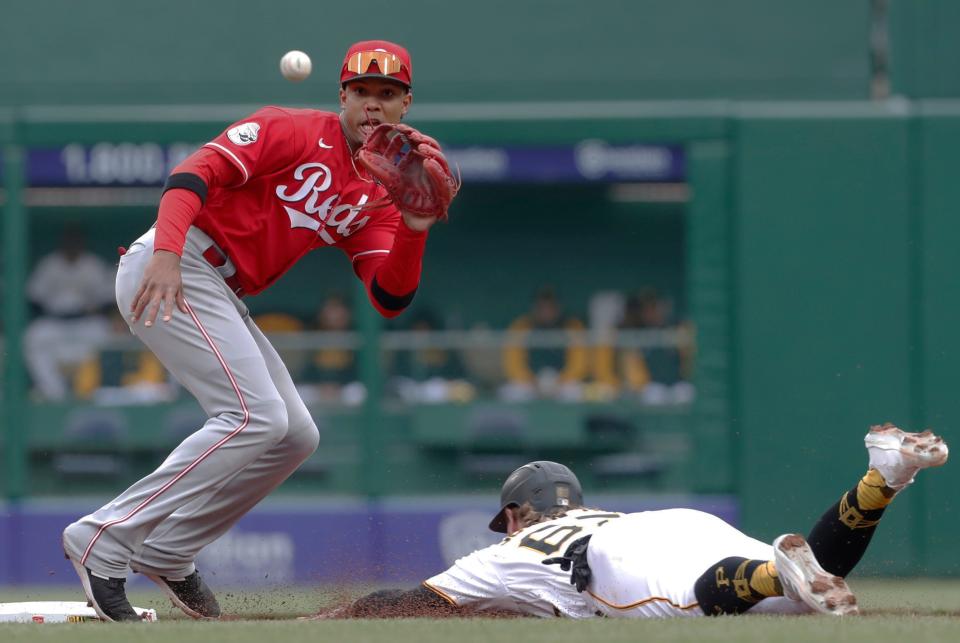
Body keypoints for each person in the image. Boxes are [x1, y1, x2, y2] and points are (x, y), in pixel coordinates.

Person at [62, 39, 455, 622]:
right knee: (254, 416)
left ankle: (170, 550)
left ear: (407, 105)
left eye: (388, 94)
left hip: (218, 285)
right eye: (363, 92)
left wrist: (416, 226)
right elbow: (192, 173)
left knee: (296, 434)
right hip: (175, 262)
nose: (373, 105)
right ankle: (103, 540)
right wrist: (166, 255)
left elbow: (389, 297)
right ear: (342, 95)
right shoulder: (290, 129)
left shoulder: (382, 194)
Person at [320, 424, 947, 619]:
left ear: (516, 512)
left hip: (618, 561)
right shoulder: (603, 508)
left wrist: (332, 618)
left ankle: (775, 575)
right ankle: (883, 476)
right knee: (817, 579)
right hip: (682, 525)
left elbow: (414, 601)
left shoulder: (514, 548)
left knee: (741, 598)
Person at [24, 227, 116, 401]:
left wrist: (96, 309)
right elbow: (34, 299)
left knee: (106, 334)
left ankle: (90, 390)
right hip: (55, 322)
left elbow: (107, 300)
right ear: (62, 243)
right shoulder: (49, 264)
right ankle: (53, 392)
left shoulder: (92, 264)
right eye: (69, 241)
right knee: (33, 336)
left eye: (76, 241)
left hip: (86, 323)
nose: (72, 245)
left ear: (82, 244)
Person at [500, 286, 589, 401]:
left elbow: (580, 363)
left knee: (575, 393)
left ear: (558, 308)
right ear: (534, 308)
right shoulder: (522, 326)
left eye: (550, 307)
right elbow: (512, 363)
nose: (546, 312)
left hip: (563, 383)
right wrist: (530, 380)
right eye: (541, 308)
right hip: (529, 382)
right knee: (510, 394)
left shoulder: (571, 325)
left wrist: (561, 381)